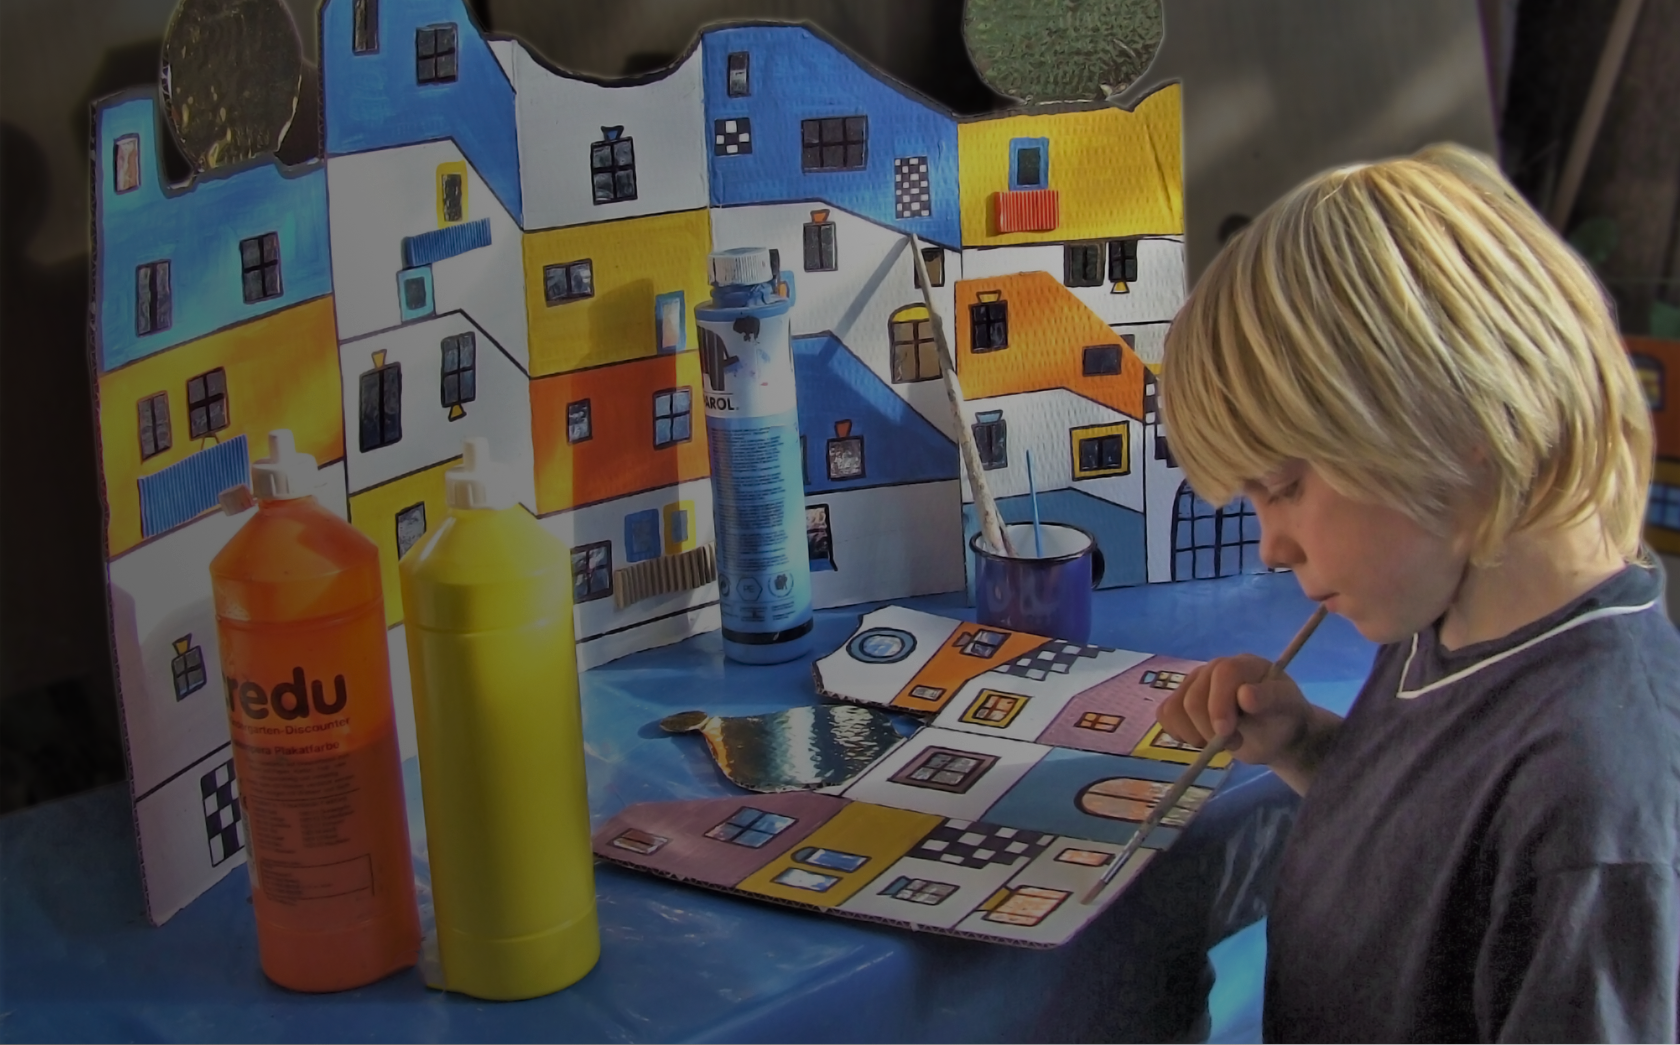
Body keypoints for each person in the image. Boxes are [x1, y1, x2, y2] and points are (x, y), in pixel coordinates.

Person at [1155, 143, 1680, 1042]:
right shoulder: (1450, 611)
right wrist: (1305, 746)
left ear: (1455, 425)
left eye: (1284, 488)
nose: (1272, 544)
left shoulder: (1595, 812)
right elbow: (1442, 848)